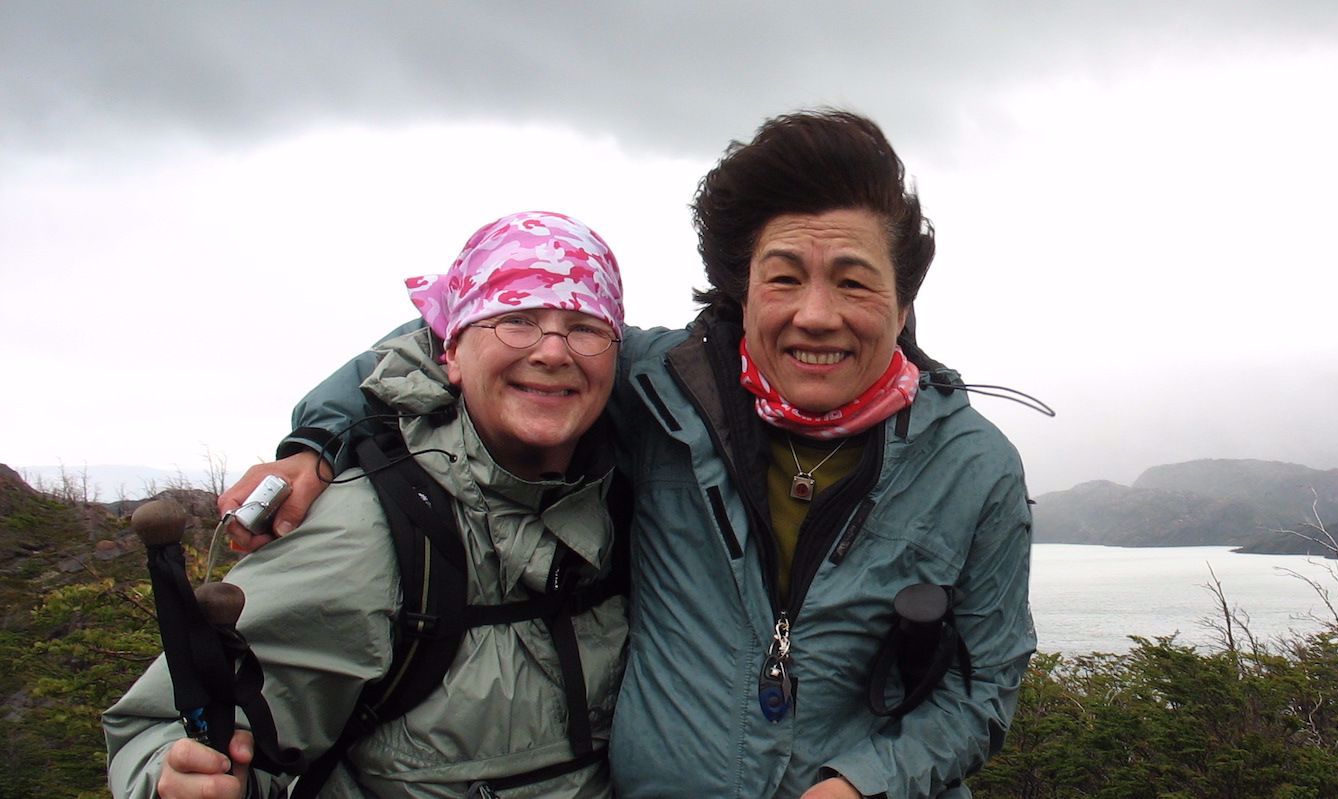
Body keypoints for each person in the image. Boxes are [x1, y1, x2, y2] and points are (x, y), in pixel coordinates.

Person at [221, 110, 1037, 798]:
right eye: (784, 278)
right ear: (741, 290)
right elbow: (451, 342)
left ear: (903, 303)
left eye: (854, 282)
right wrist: (317, 443)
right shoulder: (660, 386)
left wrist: (865, 782)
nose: (816, 315)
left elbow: (985, 686)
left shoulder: (974, 466)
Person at [106, 211, 631, 798]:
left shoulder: (637, 500)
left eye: (585, 327)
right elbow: (159, 730)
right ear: (450, 352)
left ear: (616, 354)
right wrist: (173, 779)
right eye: (515, 320)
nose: (553, 351)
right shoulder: (371, 528)